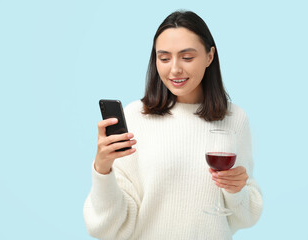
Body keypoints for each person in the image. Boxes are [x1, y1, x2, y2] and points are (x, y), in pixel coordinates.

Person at [83, 10, 263, 240]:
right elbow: (106, 228)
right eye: (164, 58)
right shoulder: (135, 117)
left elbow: (246, 217)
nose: (175, 69)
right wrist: (102, 169)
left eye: (187, 57)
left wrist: (236, 189)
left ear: (210, 56)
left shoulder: (235, 119)